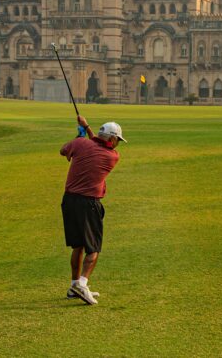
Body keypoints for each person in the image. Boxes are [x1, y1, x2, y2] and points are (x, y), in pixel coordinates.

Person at [60, 116, 126, 305]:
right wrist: (86, 131)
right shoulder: (112, 156)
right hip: (89, 204)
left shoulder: (81, 144)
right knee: (93, 248)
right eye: (117, 141)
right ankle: (82, 283)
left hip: (69, 201)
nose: (118, 145)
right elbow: (97, 146)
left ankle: (73, 286)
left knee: (78, 246)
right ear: (111, 140)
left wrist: (81, 134)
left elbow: (64, 150)